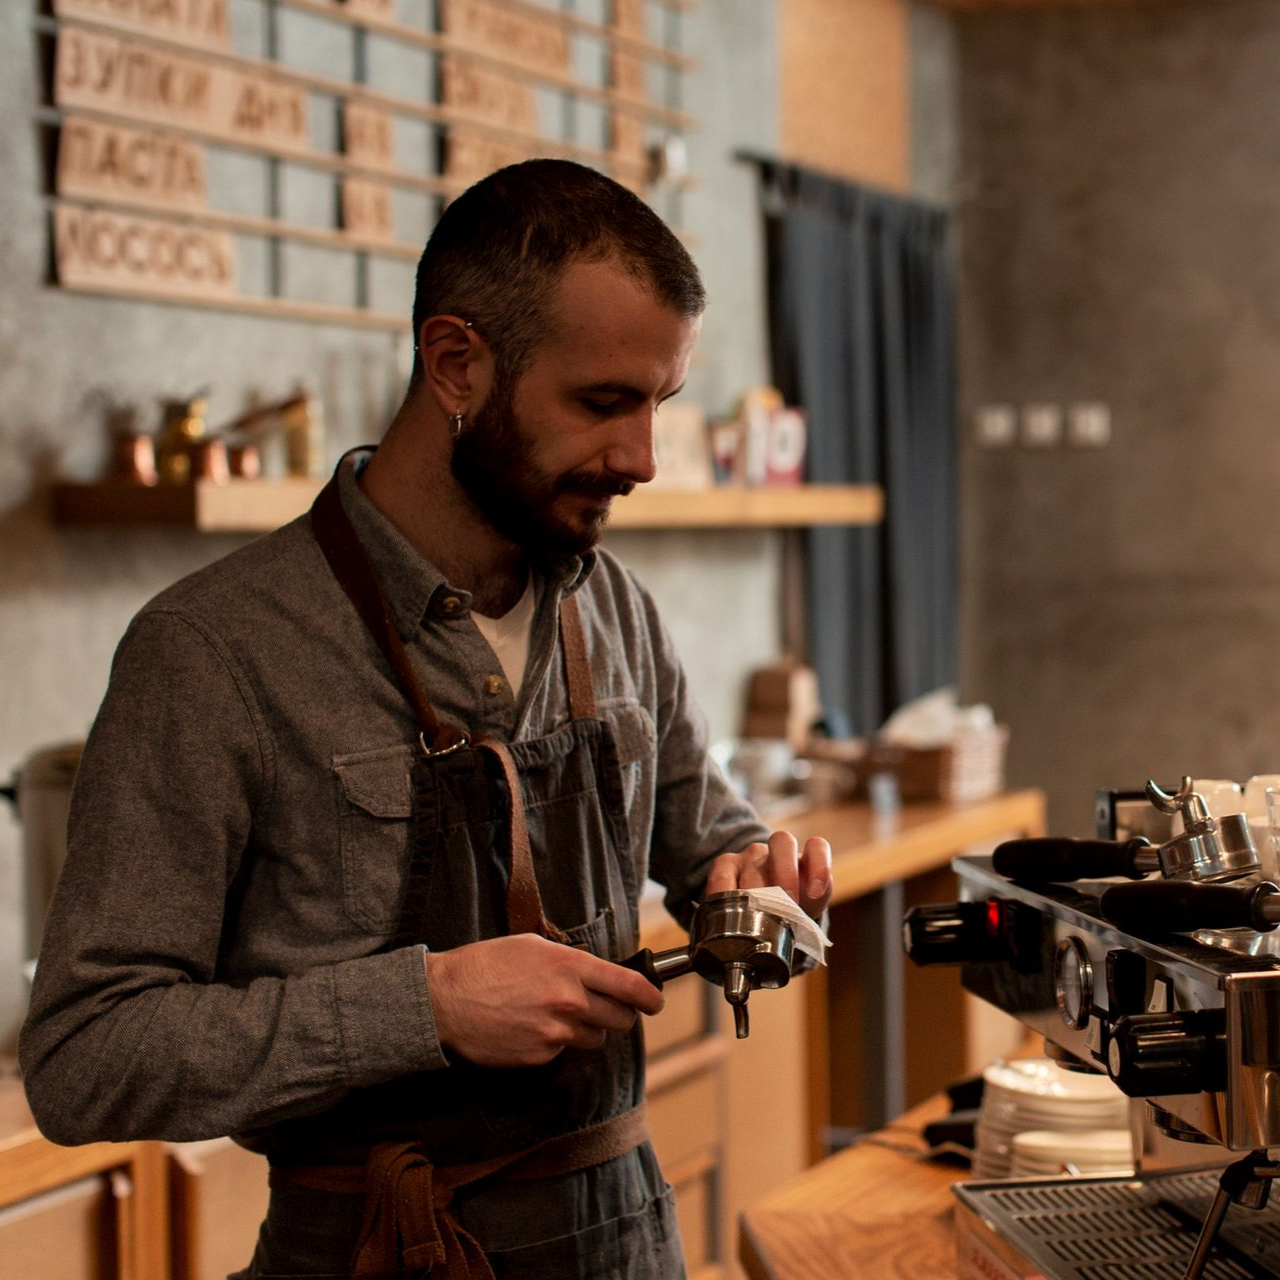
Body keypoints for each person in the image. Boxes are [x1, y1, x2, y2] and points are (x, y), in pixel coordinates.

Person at [19, 159, 833, 1279]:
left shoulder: (617, 608)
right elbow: (86, 1054)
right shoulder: (213, 652)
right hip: (373, 1248)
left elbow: (709, 844)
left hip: (632, 1241)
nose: (642, 459)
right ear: (455, 362)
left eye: (659, 404)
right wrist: (427, 1004)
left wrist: (753, 883)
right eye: (603, 403)